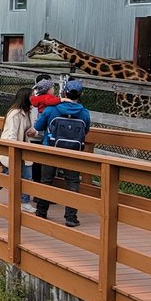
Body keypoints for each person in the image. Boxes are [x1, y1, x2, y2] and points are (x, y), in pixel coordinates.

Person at [31, 79, 92, 228]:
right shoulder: (84, 113)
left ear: (64, 93)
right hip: (73, 152)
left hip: (51, 150)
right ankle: (71, 217)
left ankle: (41, 211)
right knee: (72, 182)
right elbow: (86, 130)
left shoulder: (52, 109)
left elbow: (38, 126)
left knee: (46, 181)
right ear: (81, 95)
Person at [0, 86, 35, 210]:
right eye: (32, 96)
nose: (34, 98)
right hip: (12, 148)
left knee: (27, 175)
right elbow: (12, 134)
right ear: (25, 98)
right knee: (9, 174)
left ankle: (24, 202)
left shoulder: (29, 112)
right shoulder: (15, 113)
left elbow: (30, 129)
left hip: (23, 147)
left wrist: (34, 133)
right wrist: (14, 149)